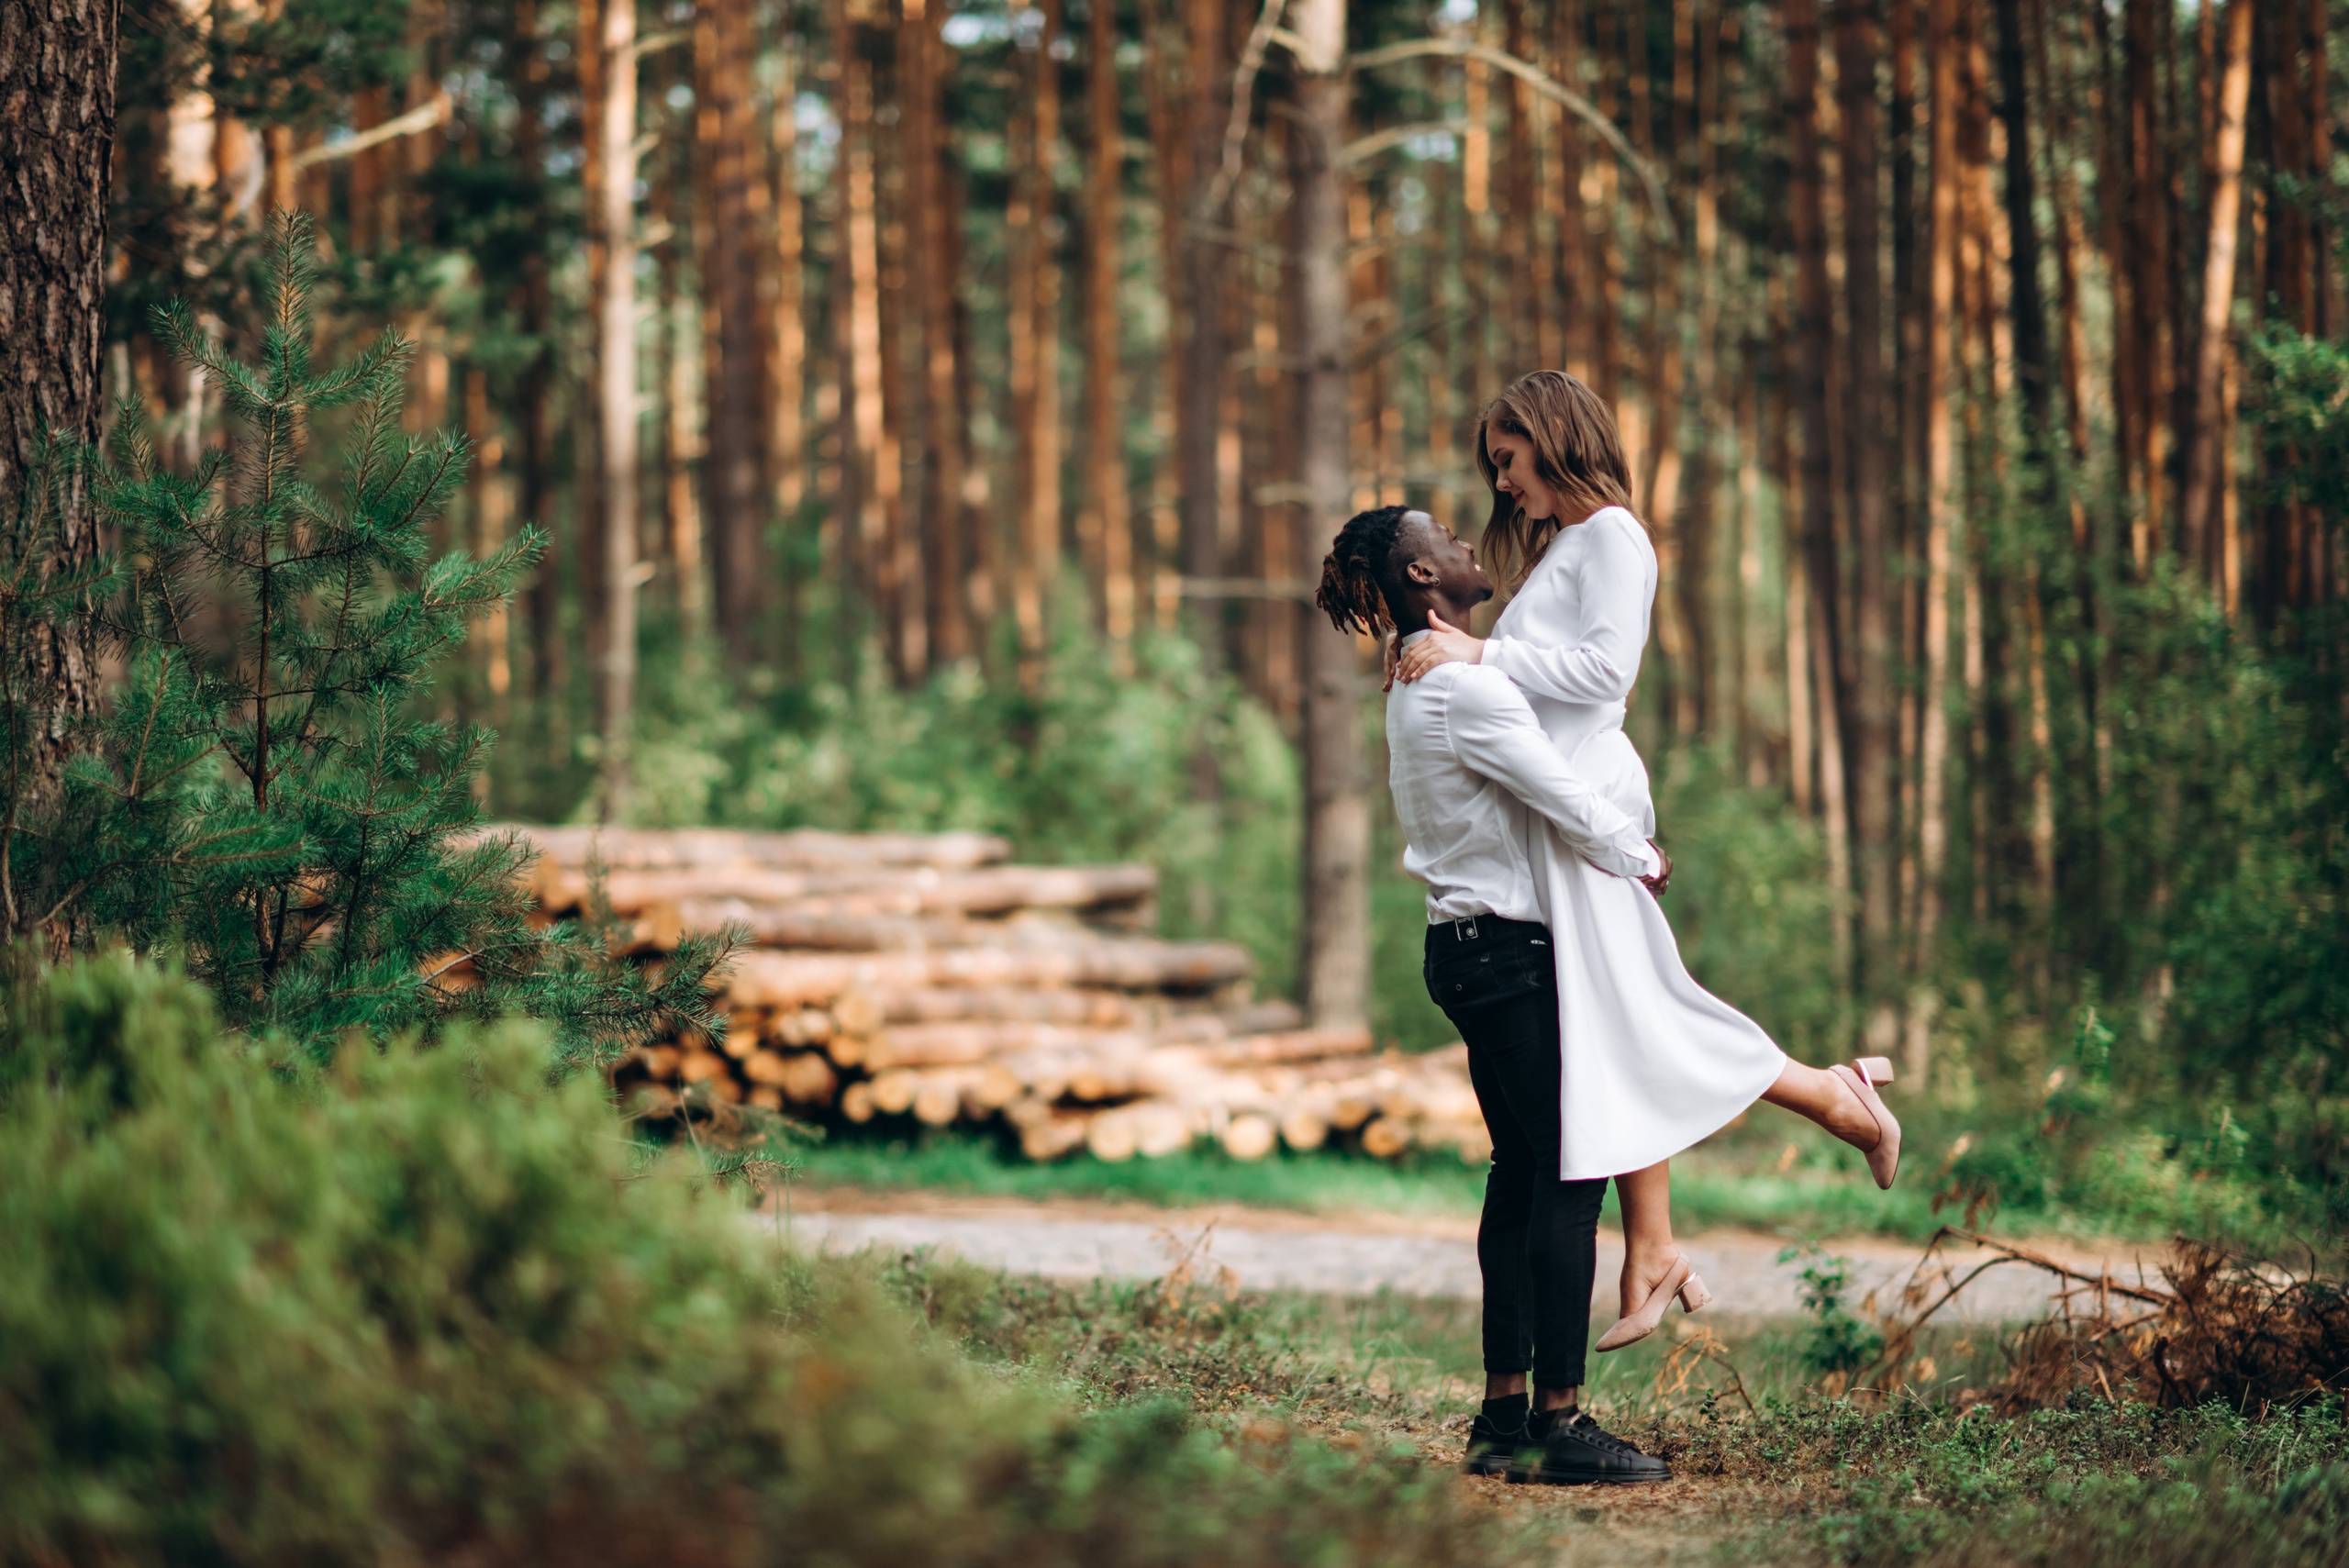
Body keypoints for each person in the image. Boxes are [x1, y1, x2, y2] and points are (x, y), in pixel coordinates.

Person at [1392, 369, 1902, 1351]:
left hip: (1590, 808)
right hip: (1562, 813)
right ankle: (1657, 1244)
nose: (1503, 485)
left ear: (1551, 438)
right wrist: (1455, 658)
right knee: (1619, 1020)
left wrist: (1477, 655)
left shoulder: (1614, 537)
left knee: (1639, 1012)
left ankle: (1836, 1099)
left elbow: (1602, 673)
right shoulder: (1567, 551)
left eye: (1509, 460)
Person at [1318, 502, 1672, 1485]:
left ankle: (1500, 1413)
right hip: (1507, 956)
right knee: (1567, 1168)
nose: (1471, 546)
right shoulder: (1458, 688)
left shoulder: (1424, 677)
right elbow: (1556, 790)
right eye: (1447, 540)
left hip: (1471, 953)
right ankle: (1555, 1420)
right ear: (1422, 577)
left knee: (1519, 1168)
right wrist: (1638, 854)